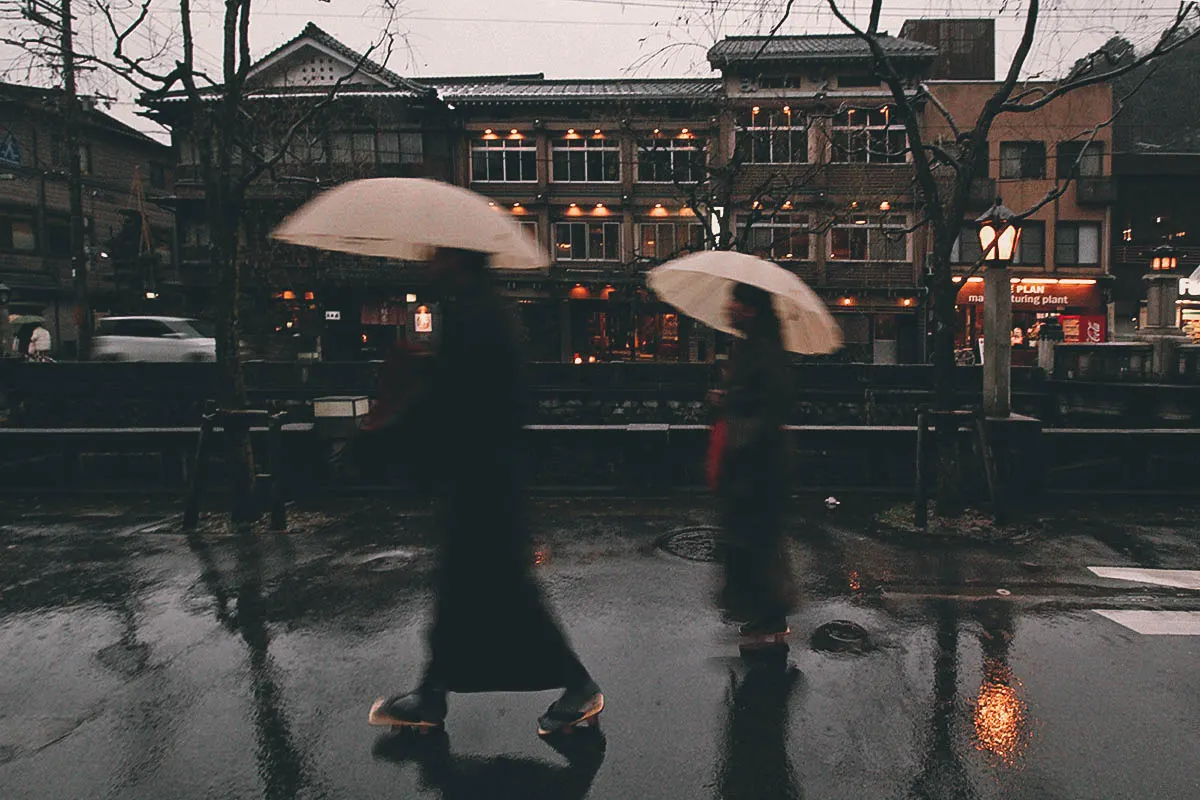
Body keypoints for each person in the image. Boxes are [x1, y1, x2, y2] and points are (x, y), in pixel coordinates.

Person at [370, 247, 603, 737]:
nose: (427, 260)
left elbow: (463, 398)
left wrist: (399, 415)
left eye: (436, 254)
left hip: (484, 482)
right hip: (484, 478)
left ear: (457, 259)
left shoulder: (479, 314)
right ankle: (433, 693)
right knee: (464, 593)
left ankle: (577, 684)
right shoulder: (479, 310)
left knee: (501, 592)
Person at [709, 282, 796, 642]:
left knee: (755, 541)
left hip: (758, 464)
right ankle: (768, 615)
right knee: (757, 541)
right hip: (753, 462)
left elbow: (772, 405)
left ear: (750, 309)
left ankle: (769, 616)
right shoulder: (750, 347)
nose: (728, 307)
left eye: (735, 301)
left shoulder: (764, 350)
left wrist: (731, 403)